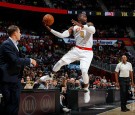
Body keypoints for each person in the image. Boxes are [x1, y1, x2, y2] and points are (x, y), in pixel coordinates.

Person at [45, 13, 96, 103]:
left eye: (86, 16)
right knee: (61, 62)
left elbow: (93, 31)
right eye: (83, 16)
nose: (85, 17)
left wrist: (82, 25)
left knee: (84, 70)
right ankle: (50, 75)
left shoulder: (89, 24)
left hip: (88, 51)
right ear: (78, 18)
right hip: (77, 49)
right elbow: (62, 35)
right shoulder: (73, 28)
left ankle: (86, 89)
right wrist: (50, 30)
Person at [0, 25, 37, 115]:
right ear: (15, 33)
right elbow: (15, 60)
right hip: (8, 80)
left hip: (14, 78)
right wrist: (30, 60)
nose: (21, 34)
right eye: (19, 32)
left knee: (14, 104)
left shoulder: (15, 44)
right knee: (10, 105)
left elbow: (17, 60)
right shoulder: (7, 44)